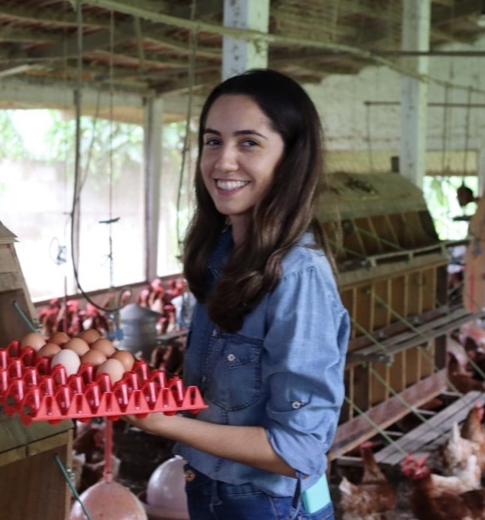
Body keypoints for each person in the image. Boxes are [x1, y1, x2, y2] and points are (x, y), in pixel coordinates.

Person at [124, 69, 350, 519]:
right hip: (212, 490)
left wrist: (168, 423)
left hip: (269, 505)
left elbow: (299, 450)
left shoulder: (298, 275)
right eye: (212, 141)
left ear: (290, 158)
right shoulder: (221, 254)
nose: (223, 162)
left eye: (249, 142)